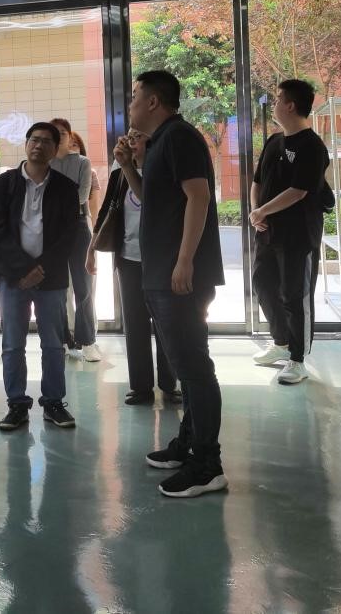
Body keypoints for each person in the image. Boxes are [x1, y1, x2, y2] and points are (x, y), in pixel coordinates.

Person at [125, 70, 227, 498]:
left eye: (135, 96)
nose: (130, 104)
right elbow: (153, 199)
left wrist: (185, 261)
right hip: (161, 274)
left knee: (194, 368)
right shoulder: (160, 142)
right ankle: (188, 443)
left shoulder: (180, 137)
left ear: (153, 102)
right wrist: (128, 166)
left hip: (178, 276)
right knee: (186, 365)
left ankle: (207, 464)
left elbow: (198, 197)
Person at [0, 122, 80, 432]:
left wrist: (40, 269)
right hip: (13, 277)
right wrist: (23, 269)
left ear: (55, 149)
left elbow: (69, 234)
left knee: (53, 344)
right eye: (34, 140)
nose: (39, 145)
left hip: (51, 277)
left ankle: (53, 402)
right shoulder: (4, 184)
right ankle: (16, 405)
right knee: (13, 344)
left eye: (46, 141)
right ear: (25, 144)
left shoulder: (66, 187)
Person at [248, 80, 331, 385]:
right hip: (267, 232)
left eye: (278, 98)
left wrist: (262, 212)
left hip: (298, 236)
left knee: (295, 295)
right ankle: (281, 342)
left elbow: (299, 191)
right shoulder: (274, 141)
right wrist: (256, 211)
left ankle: (298, 359)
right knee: (263, 284)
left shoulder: (312, 146)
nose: (274, 103)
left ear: (291, 105)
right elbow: (257, 181)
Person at [90, 129, 179, 405]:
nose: (132, 142)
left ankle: (169, 384)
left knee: (166, 323)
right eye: (129, 138)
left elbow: (157, 203)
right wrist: (91, 249)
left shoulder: (162, 170)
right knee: (135, 324)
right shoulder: (119, 172)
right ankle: (141, 387)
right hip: (128, 259)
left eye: (138, 137)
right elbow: (107, 209)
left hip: (162, 260)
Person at [49, 118, 101, 362]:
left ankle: (87, 341)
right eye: (55, 132)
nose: (59, 136)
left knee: (84, 287)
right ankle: (63, 340)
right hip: (51, 229)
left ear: (70, 136)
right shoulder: (46, 163)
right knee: (57, 288)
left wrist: (55, 204)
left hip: (78, 226)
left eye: (63, 132)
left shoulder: (82, 162)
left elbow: (81, 196)